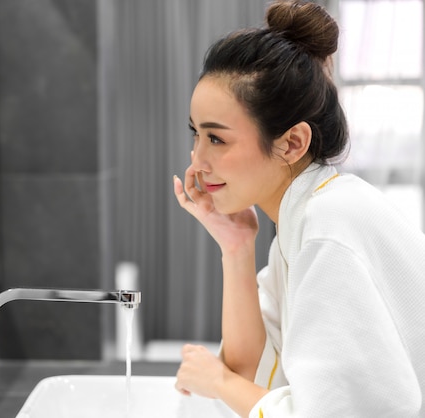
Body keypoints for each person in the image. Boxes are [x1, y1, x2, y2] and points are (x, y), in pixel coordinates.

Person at [172, 1, 425, 417]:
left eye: (216, 139)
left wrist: (215, 380)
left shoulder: (329, 224)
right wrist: (236, 248)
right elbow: (251, 375)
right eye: (196, 134)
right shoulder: (302, 221)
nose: (197, 160)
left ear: (292, 143)